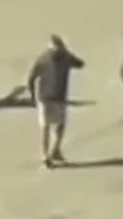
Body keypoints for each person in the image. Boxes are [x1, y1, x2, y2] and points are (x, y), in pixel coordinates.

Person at [26, 35, 85, 168]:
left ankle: (52, 152)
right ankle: (48, 154)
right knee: (50, 127)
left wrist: (32, 96)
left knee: (54, 126)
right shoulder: (50, 59)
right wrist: (32, 97)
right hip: (50, 98)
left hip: (52, 97)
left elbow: (80, 64)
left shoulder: (57, 58)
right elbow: (31, 78)